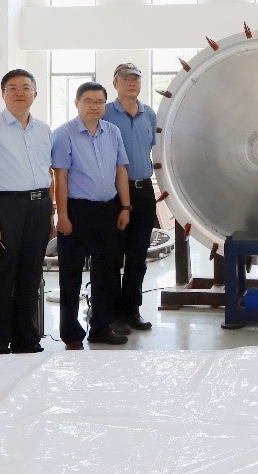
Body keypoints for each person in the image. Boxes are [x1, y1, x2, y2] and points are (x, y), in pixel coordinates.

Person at [0, 69, 54, 354]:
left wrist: (50, 215)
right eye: (13, 87)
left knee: (31, 277)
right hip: (8, 207)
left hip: (40, 206)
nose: (20, 92)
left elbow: (48, 173)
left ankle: (26, 340)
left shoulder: (43, 129)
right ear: (3, 93)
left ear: (35, 93)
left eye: (26, 87)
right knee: (4, 278)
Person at [51, 81, 131, 348]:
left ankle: (100, 327)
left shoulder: (113, 132)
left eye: (99, 102)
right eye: (88, 101)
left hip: (108, 210)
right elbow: (60, 177)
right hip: (77, 210)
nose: (94, 106)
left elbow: (121, 170)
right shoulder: (64, 134)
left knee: (106, 273)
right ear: (77, 103)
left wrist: (125, 207)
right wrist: (62, 215)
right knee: (71, 274)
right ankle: (71, 333)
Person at [103, 62, 159, 334]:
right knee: (114, 255)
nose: (131, 83)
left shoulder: (149, 114)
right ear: (115, 84)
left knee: (138, 255)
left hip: (143, 190)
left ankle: (132, 310)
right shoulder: (105, 113)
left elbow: (150, 148)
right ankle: (113, 313)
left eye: (135, 78)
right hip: (114, 193)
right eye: (125, 79)